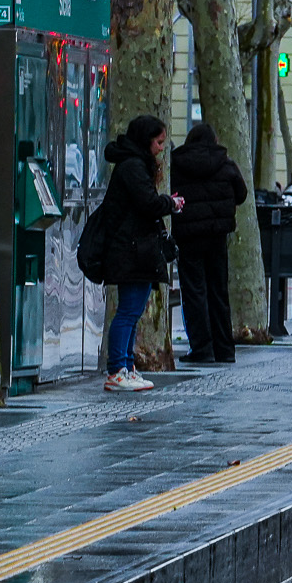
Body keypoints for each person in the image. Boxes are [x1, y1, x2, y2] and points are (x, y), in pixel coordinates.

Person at [101, 115, 182, 392]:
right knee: (129, 311)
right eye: (158, 142)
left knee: (132, 311)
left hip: (134, 247)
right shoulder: (134, 167)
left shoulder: (132, 164)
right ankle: (117, 369)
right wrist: (170, 203)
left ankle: (126, 366)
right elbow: (147, 203)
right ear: (146, 141)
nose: (161, 148)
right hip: (133, 249)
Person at [170, 121, 247, 364]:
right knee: (218, 291)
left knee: (194, 292)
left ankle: (202, 348)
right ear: (214, 140)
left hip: (188, 235)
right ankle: (224, 348)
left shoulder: (177, 163)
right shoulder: (225, 163)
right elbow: (241, 194)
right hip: (217, 235)